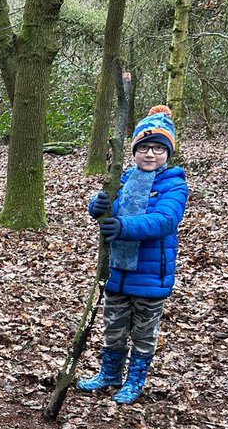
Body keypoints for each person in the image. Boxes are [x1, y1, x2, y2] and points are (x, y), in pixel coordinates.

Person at [78, 105, 189, 404]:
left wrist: (123, 226)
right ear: (134, 150)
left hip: (151, 276)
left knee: (143, 333)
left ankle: (134, 381)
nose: (150, 154)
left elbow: (164, 220)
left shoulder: (174, 185)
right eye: (143, 148)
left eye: (157, 148)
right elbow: (108, 207)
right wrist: (97, 206)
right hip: (117, 272)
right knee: (113, 326)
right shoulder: (124, 180)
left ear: (167, 153)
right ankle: (109, 373)